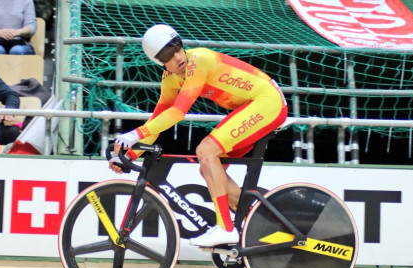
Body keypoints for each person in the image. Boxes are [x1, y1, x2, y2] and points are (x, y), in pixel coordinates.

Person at [109, 24, 288, 247]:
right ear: (160, 62)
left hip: (267, 102)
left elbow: (177, 112)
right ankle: (256, 220)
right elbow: (157, 122)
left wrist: (135, 134)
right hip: (254, 105)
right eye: (167, 55)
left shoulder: (199, 59)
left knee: (205, 151)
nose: (176, 57)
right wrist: (132, 154)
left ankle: (225, 228)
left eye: (176, 47)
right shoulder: (170, 80)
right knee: (209, 169)